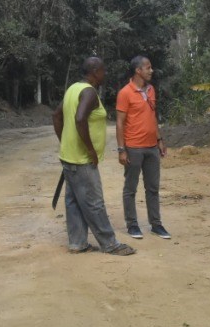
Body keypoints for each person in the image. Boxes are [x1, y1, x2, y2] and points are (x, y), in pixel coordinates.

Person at [52, 57, 136, 256]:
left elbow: (56, 115)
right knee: (94, 202)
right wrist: (89, 149)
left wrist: (65, 141)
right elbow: (80, 118)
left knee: (73, 201)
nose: (105, 74)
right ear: (95, 71)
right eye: (103, 70)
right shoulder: (89, 92)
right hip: (82, 160)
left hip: (69, 157)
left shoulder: (73, 88)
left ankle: (77, 242)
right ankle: (110, 243)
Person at [116, 56, 170, 239]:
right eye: (148, 67)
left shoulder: (151, 90)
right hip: (133, 148)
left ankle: (156, 224)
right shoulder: (125, 93)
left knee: (153, 188)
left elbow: (153, 117)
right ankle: (132, 225)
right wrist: (121, 149)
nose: (151, 70)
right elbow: (120, 123)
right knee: (130, 188)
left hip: (151, 148)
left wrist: (159, 139)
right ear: (138, 71)